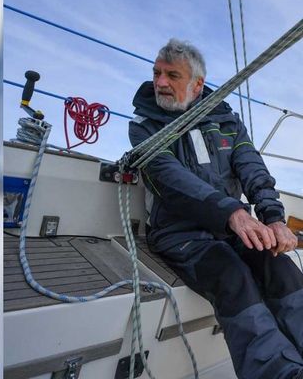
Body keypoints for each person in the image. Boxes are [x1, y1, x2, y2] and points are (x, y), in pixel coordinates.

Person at [129, 38, 303, 379]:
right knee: (233, 279)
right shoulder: (145, 126)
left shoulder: (227, 121)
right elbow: (173, 180)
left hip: (230, 228)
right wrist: (233, 214)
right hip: (180, 234)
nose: (160, 82)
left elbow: (251, 166)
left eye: (172, 75)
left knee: (281, 269)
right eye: (157, 72)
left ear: (197, 85)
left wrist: (273, 217)